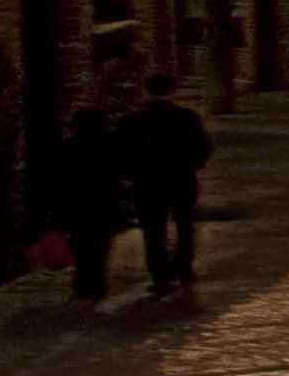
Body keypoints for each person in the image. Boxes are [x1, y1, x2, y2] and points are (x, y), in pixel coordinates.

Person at [118, 74, 210, 303]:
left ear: (146, 89)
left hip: (147, 182)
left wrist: (131, 174)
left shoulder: (132, 120)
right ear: (172, 89)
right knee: (184, 225)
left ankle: (160, 275)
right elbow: (203, 147)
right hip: (181, 179)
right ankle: (184, 269)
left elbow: (121, 152)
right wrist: (192, 165)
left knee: (153, 229)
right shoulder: (187, 117)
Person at [47, 68, 129, 307]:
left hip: (76, 207)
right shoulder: (110, 145)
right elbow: (120, 173)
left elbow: (57, 178)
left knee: (81, 247)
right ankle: (96, 286)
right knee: (100, 248)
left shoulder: (67, 148)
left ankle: (83, 285)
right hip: (104, 205)